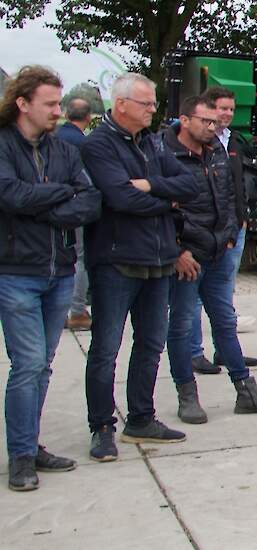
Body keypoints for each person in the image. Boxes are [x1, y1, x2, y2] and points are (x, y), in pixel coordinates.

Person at [81, 73, 200, 461]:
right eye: (146, 104)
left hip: (158, 260)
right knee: (106, 348)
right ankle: (101, 427)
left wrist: (150, 187)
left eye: (152, 103)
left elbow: (190, 184)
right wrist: (167, 201)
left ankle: (141, 418)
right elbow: (119, 198)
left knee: (150, 344)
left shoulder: (151, 143)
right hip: (117, 262)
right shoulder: (99, 145)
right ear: (121, 106)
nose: (153, 110)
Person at [0, 66, 101, 491]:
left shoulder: (63, 150)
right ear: (23, 103)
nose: (57, 111)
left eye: (60, 104)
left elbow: (91, 200)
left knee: (42, 366)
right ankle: (21, 456)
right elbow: (9, 194)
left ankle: (30, 443)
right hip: (16, 272)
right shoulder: (3, 145)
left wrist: (42, 201)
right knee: (27, 365)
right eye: (50, 104)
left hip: (59, 271)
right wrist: (61, 193)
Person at [164, 96, 257, 424]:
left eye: (214, 122)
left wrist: (231, 234)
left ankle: (245, 391)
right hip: (187, 258)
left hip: (219, 252)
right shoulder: (164, 153)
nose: (212, 127)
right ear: (185, 119)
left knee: (224, 323)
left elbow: (230, 195)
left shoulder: (218, 150)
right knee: (181, 327)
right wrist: (176, 251)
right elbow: (160, 208)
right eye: (205, 121)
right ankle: (187, 395)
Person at [186, 86, 257, 375]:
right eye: (222, 108)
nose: (227, 114)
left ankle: (226, 351)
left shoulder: (236, 142)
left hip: (233, 228)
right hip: (203, 232)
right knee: (191, 297)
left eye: (231, 108)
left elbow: (238, 186)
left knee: (223, 293)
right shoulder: (197, 144)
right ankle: (193, 353)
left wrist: (241, 219)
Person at [57, 96, 95, 330]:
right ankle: (78, 311)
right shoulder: (84, 143)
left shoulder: (56, 138)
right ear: (89, 118)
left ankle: (63, 309)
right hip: (78, 205)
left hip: (58, 206)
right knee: (82, 258)